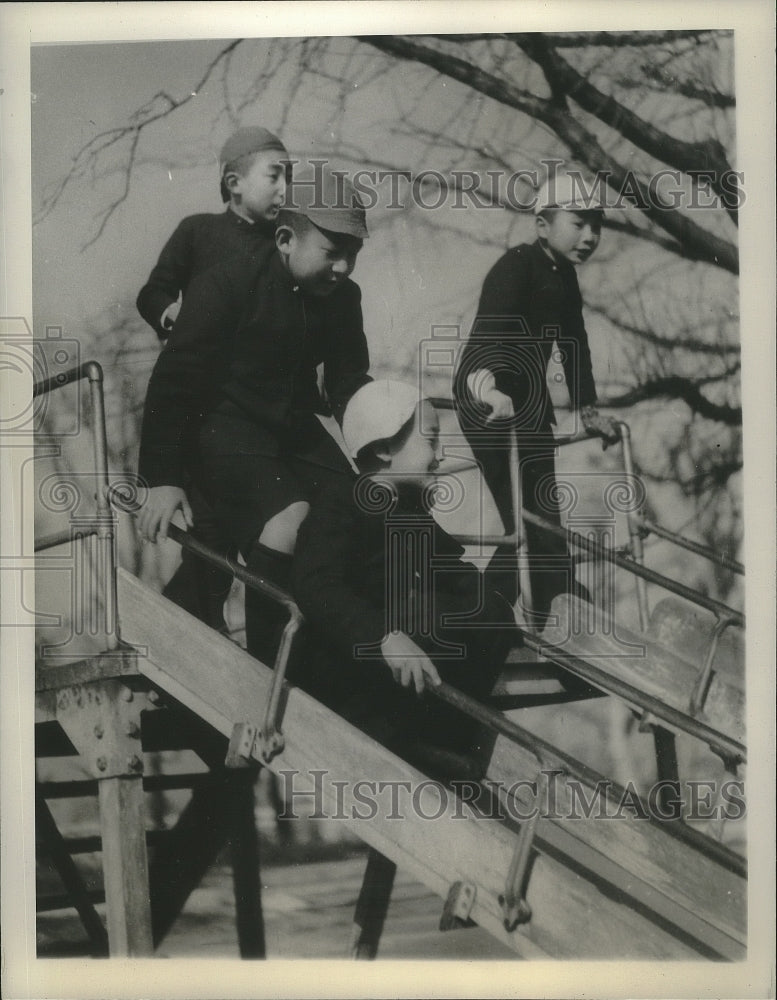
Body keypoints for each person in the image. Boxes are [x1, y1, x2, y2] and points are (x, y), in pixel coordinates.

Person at [137, 165, 372, 664]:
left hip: (291, 428)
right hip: (224, 426)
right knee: (287, 518)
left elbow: (348, 382)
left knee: (357, 505)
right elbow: (172, 382)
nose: (345, 268)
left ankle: (340, 627)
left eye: (353, 255)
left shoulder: (342, 298)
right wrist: (162, 478)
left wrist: (385, 436)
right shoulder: (227, 283)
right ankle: (274, 660)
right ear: (285, 239)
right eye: (333, 253)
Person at [291, 380, 518, 777]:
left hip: (407, 664)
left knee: (488, 609)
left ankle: (443, 736)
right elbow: (316, 585)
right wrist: (383, 636)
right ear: (383, 449)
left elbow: (457, 576)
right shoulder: (340, 503)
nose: (440, 454)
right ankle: (402, 737)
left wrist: (496, 605)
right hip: (356, 666)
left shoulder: (412, 514)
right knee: (430, 611)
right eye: (430, 440)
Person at [136, 126, 292, 632]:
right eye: (275, 175)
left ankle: (232, 642)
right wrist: (171, 314)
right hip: (200, 409)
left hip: (257, 415)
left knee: (255, 533)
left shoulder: (285, 243)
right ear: (233, 182)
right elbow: (152, 291)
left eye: (290, 176)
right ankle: (183, 637)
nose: (286, 188)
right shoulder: (199, 231)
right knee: (212, 537)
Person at [453, 172, 619, 625]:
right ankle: (495, 610)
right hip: (486, 395)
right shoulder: (516, 266)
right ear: (543, 225)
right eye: (579, 223)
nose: (590, 236)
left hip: (527, 406)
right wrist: (491, 392)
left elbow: (574, 343)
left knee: (544, 517)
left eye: (597, 225)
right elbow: (488, 335)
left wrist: (588, 410)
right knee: (527, 522)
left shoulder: (563, 277)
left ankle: (555, 602)